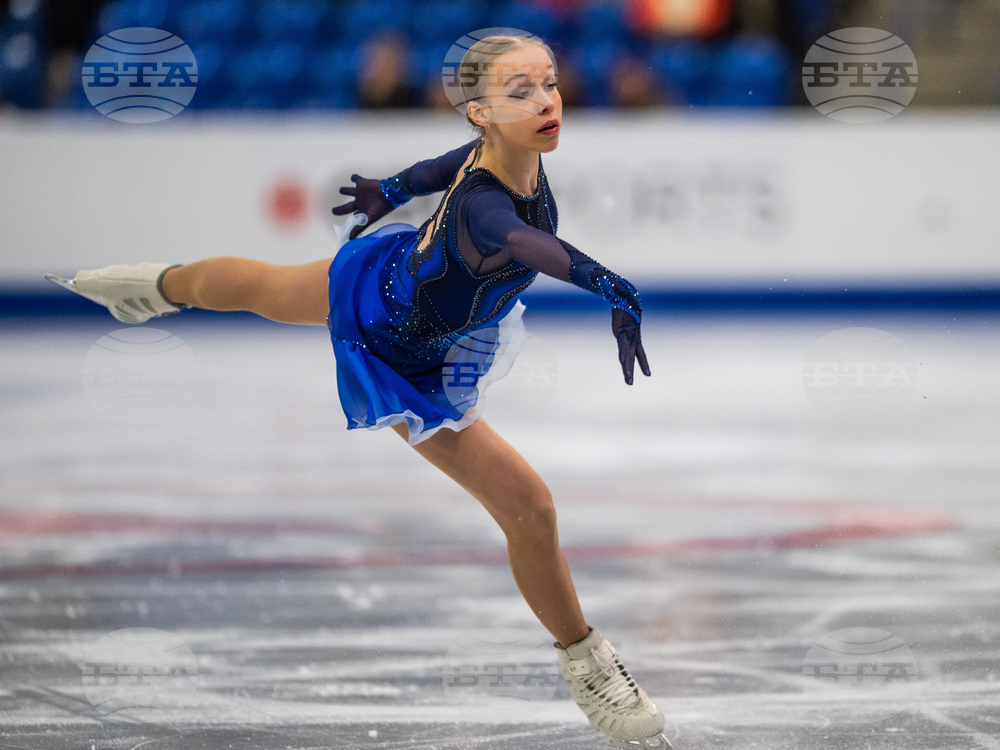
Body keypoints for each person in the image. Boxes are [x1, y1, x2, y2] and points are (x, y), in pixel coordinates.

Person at [47, 33, 669, 749]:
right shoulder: (486, 207)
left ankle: (149, 288)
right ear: (479, 112)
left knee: (261, 286)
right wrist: (609, 283)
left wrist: (393, 190)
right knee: (530, 508)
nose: (545, 101)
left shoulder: (498, 154)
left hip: (399, 278)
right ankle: (590, 667)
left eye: (549, 83)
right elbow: (530, 246)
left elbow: (442, 164)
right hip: (397, 348)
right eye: (519, 91)